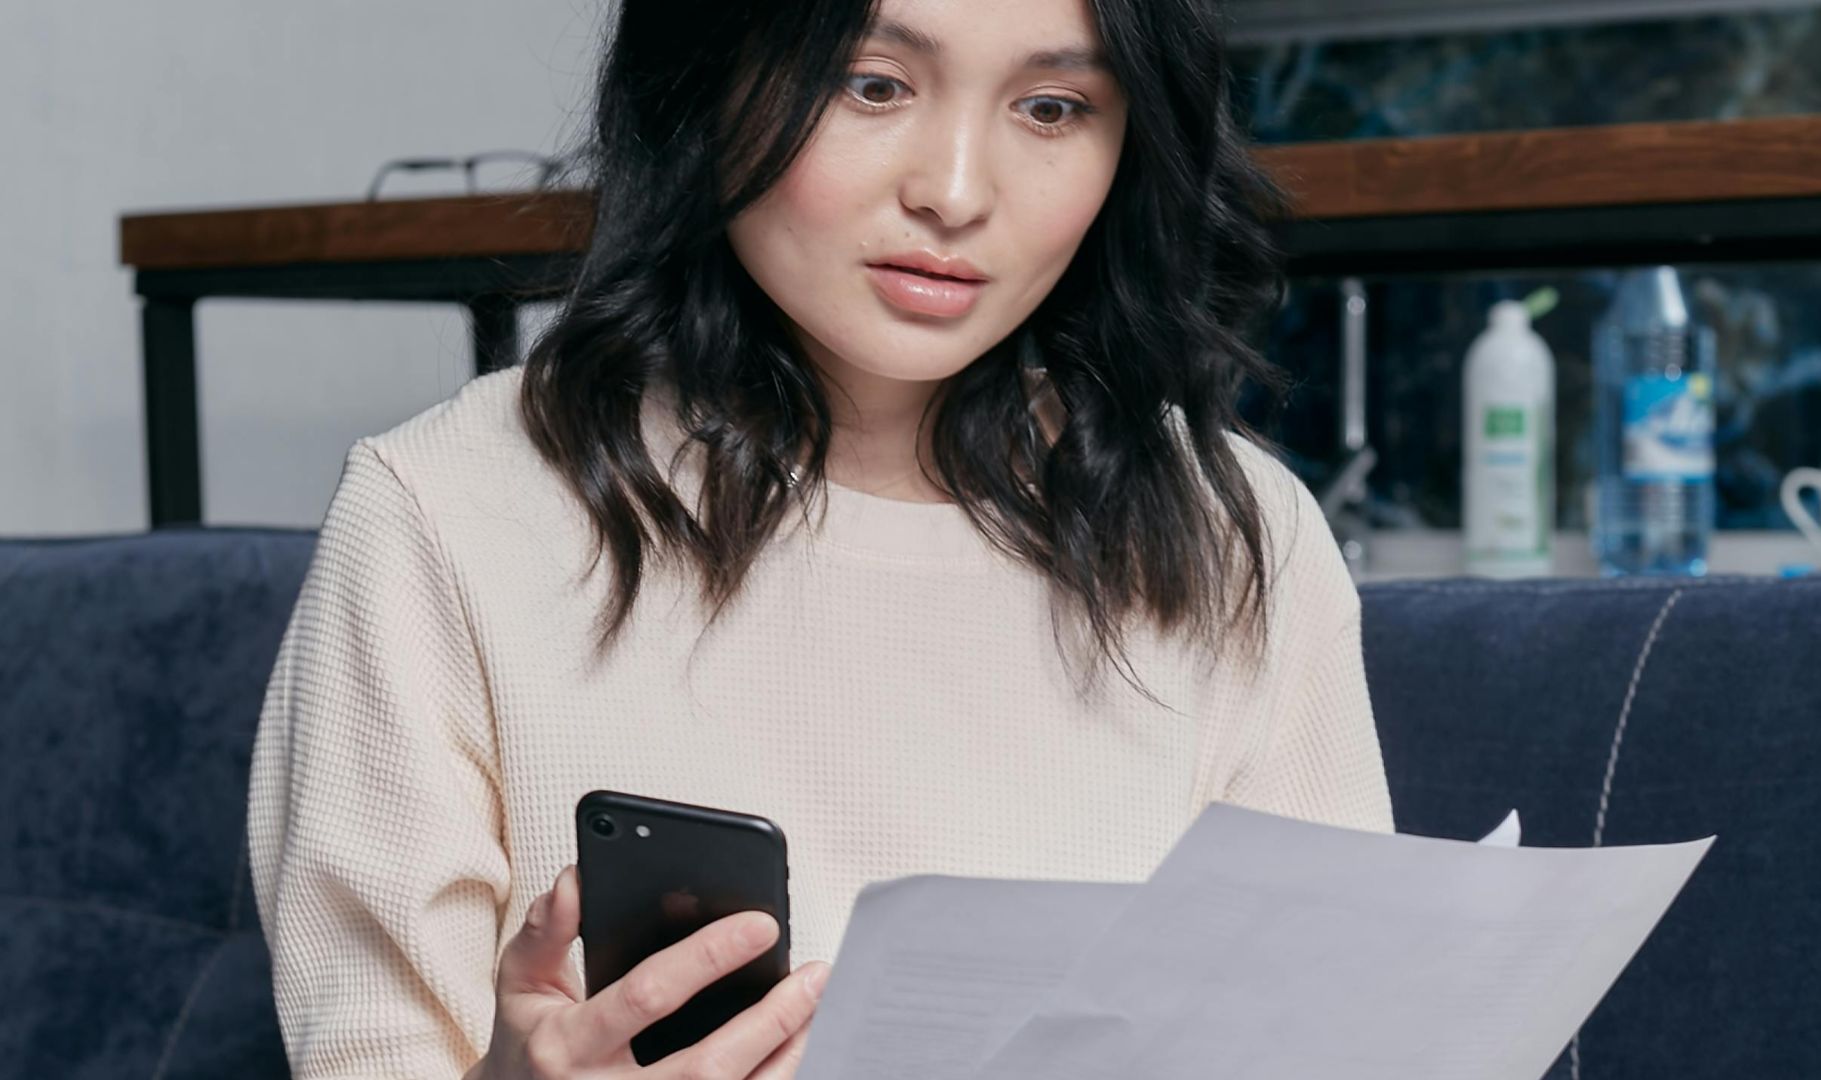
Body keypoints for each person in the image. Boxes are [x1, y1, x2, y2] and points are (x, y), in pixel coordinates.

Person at [245, 0, 1395, 1076]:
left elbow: (1351, 1028)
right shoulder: (447, 509)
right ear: (708, 75)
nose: (953, 192)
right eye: (872, 83)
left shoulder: (1234, 532)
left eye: (1053, 108)